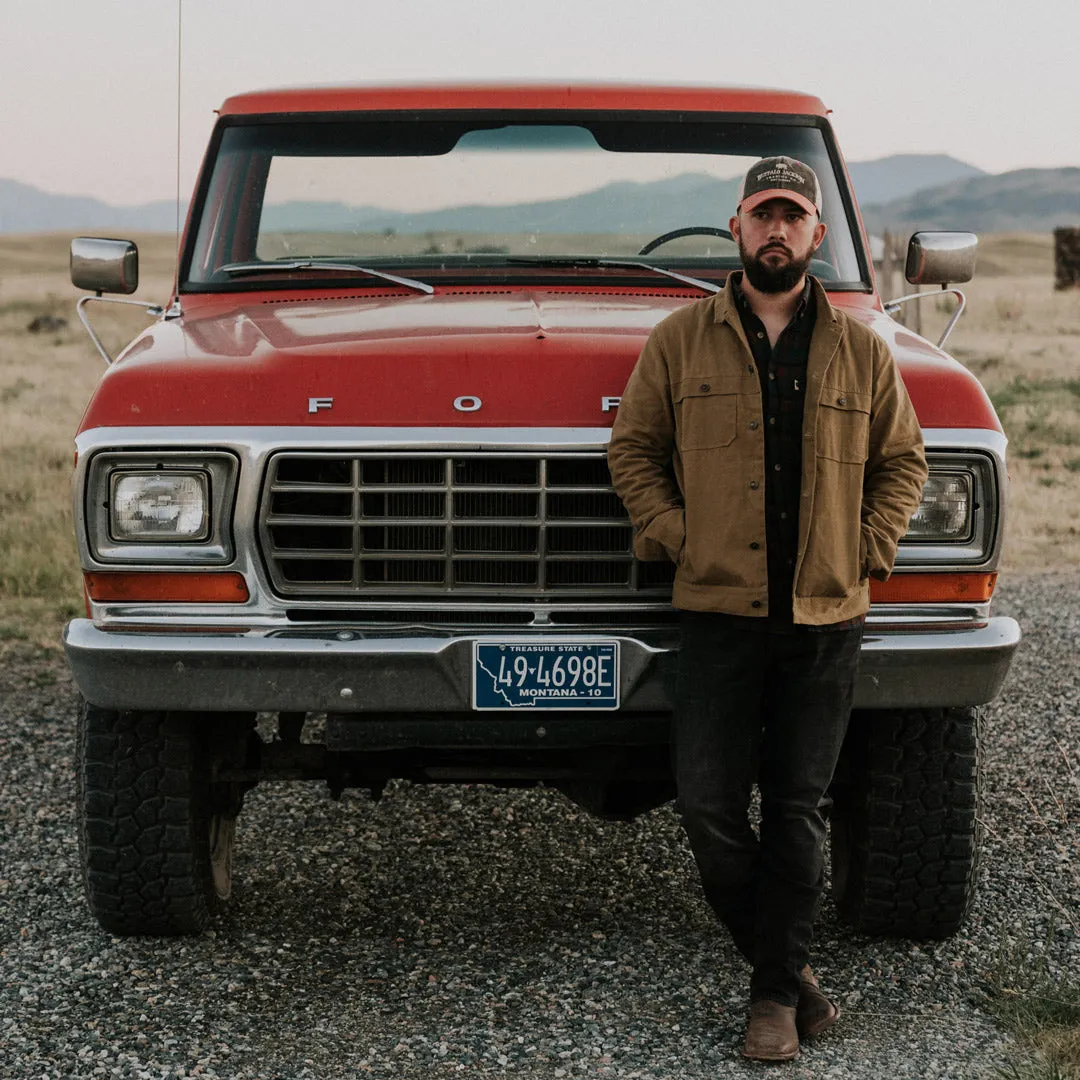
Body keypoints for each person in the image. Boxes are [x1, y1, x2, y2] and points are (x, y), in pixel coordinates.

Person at [607, 156, 928, 1062]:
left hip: (826, 615)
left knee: (797, 808)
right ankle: (794, 975)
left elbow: (903, 462)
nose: (777, 231)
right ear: (738, 229)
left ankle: (773, 1002)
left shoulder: (863, 350)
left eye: (793, 217)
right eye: (762, 215)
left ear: (817, 235)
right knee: (708, 809)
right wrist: (677, 534)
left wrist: (867, 550)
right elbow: (633, 452)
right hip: (718, 612)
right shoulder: (680, 340)